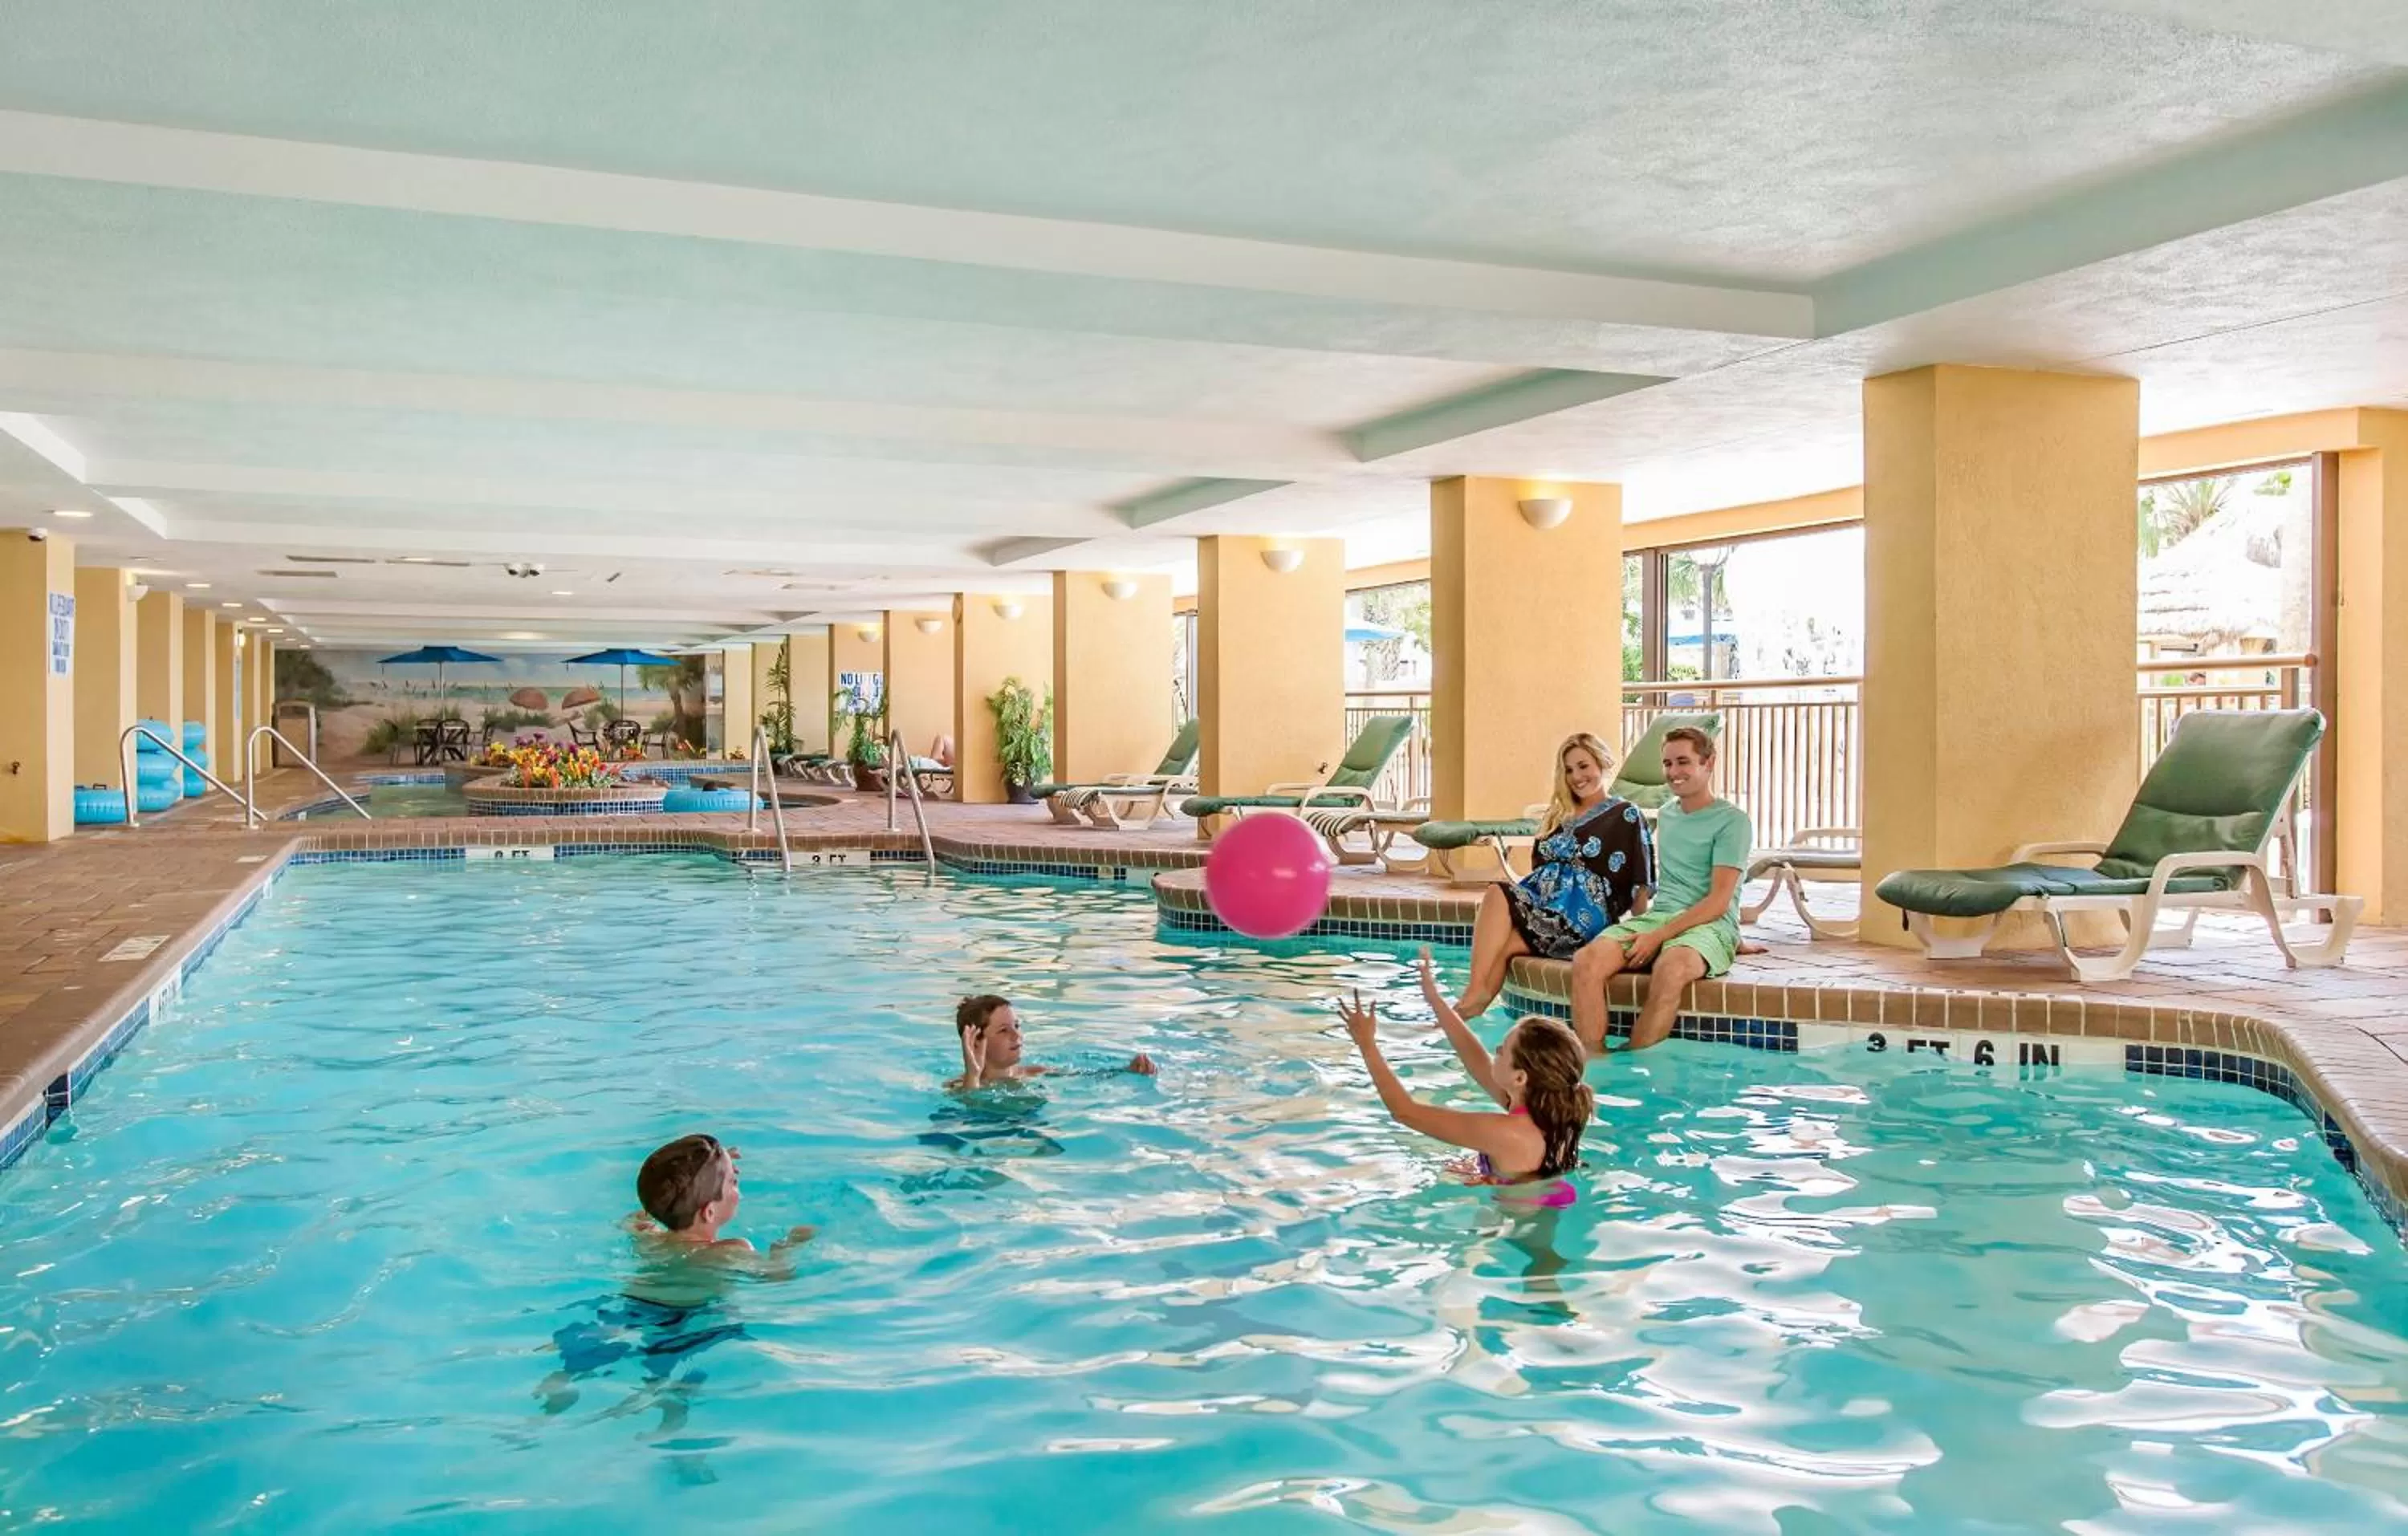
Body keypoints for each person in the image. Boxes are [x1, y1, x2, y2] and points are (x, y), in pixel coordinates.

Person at [1336, 950, 1595, 1207]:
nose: (1496, 1052)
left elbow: (1406, 1112)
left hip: (1519, 1233)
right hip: (1535, 1204)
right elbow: (1476, 1061)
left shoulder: (1507, 1133)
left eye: (1504, 1050)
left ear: (1520, 1078)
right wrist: (1435, 1001)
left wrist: (1366, 1044)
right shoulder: (1546, 1114)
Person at [1568, 725, 1751, 1056]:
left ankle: (1634, 1068)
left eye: (1683, 762)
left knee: (1671, 968)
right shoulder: (1667, 815)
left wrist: (1663, 937)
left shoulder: (1732, 821)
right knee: (1587, 961)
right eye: (1667, 764)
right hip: (1662, 917)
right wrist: (1653, 929)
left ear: (1708, 763)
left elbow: (1719, 901)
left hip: (1709, 925)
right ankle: (1594, 1061)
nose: (1673, 772)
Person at [1452, 732, 1652, 1018]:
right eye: (1568, 769)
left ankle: (1469, 1004)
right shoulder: (1558, 813)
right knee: (1498, 897)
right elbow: (1539, 870)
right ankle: (1474, 998)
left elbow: (1639, 881)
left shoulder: (1625, 814)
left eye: (1584, 766)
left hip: (1583, 916)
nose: (1576, 776)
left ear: (1601, 763)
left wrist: (1642, 933)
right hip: (1546, 906)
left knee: (1509, 938)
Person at [949, 994, 1157, 1089]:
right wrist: (973, 1075)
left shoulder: (1035, 1073)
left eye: (1017, 1027)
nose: (1017, 1036)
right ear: (976, 1041)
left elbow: (1087, 1077)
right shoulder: (958, 1086)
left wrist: (1127, 1070)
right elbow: (970, 1108)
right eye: (1004, 1031)